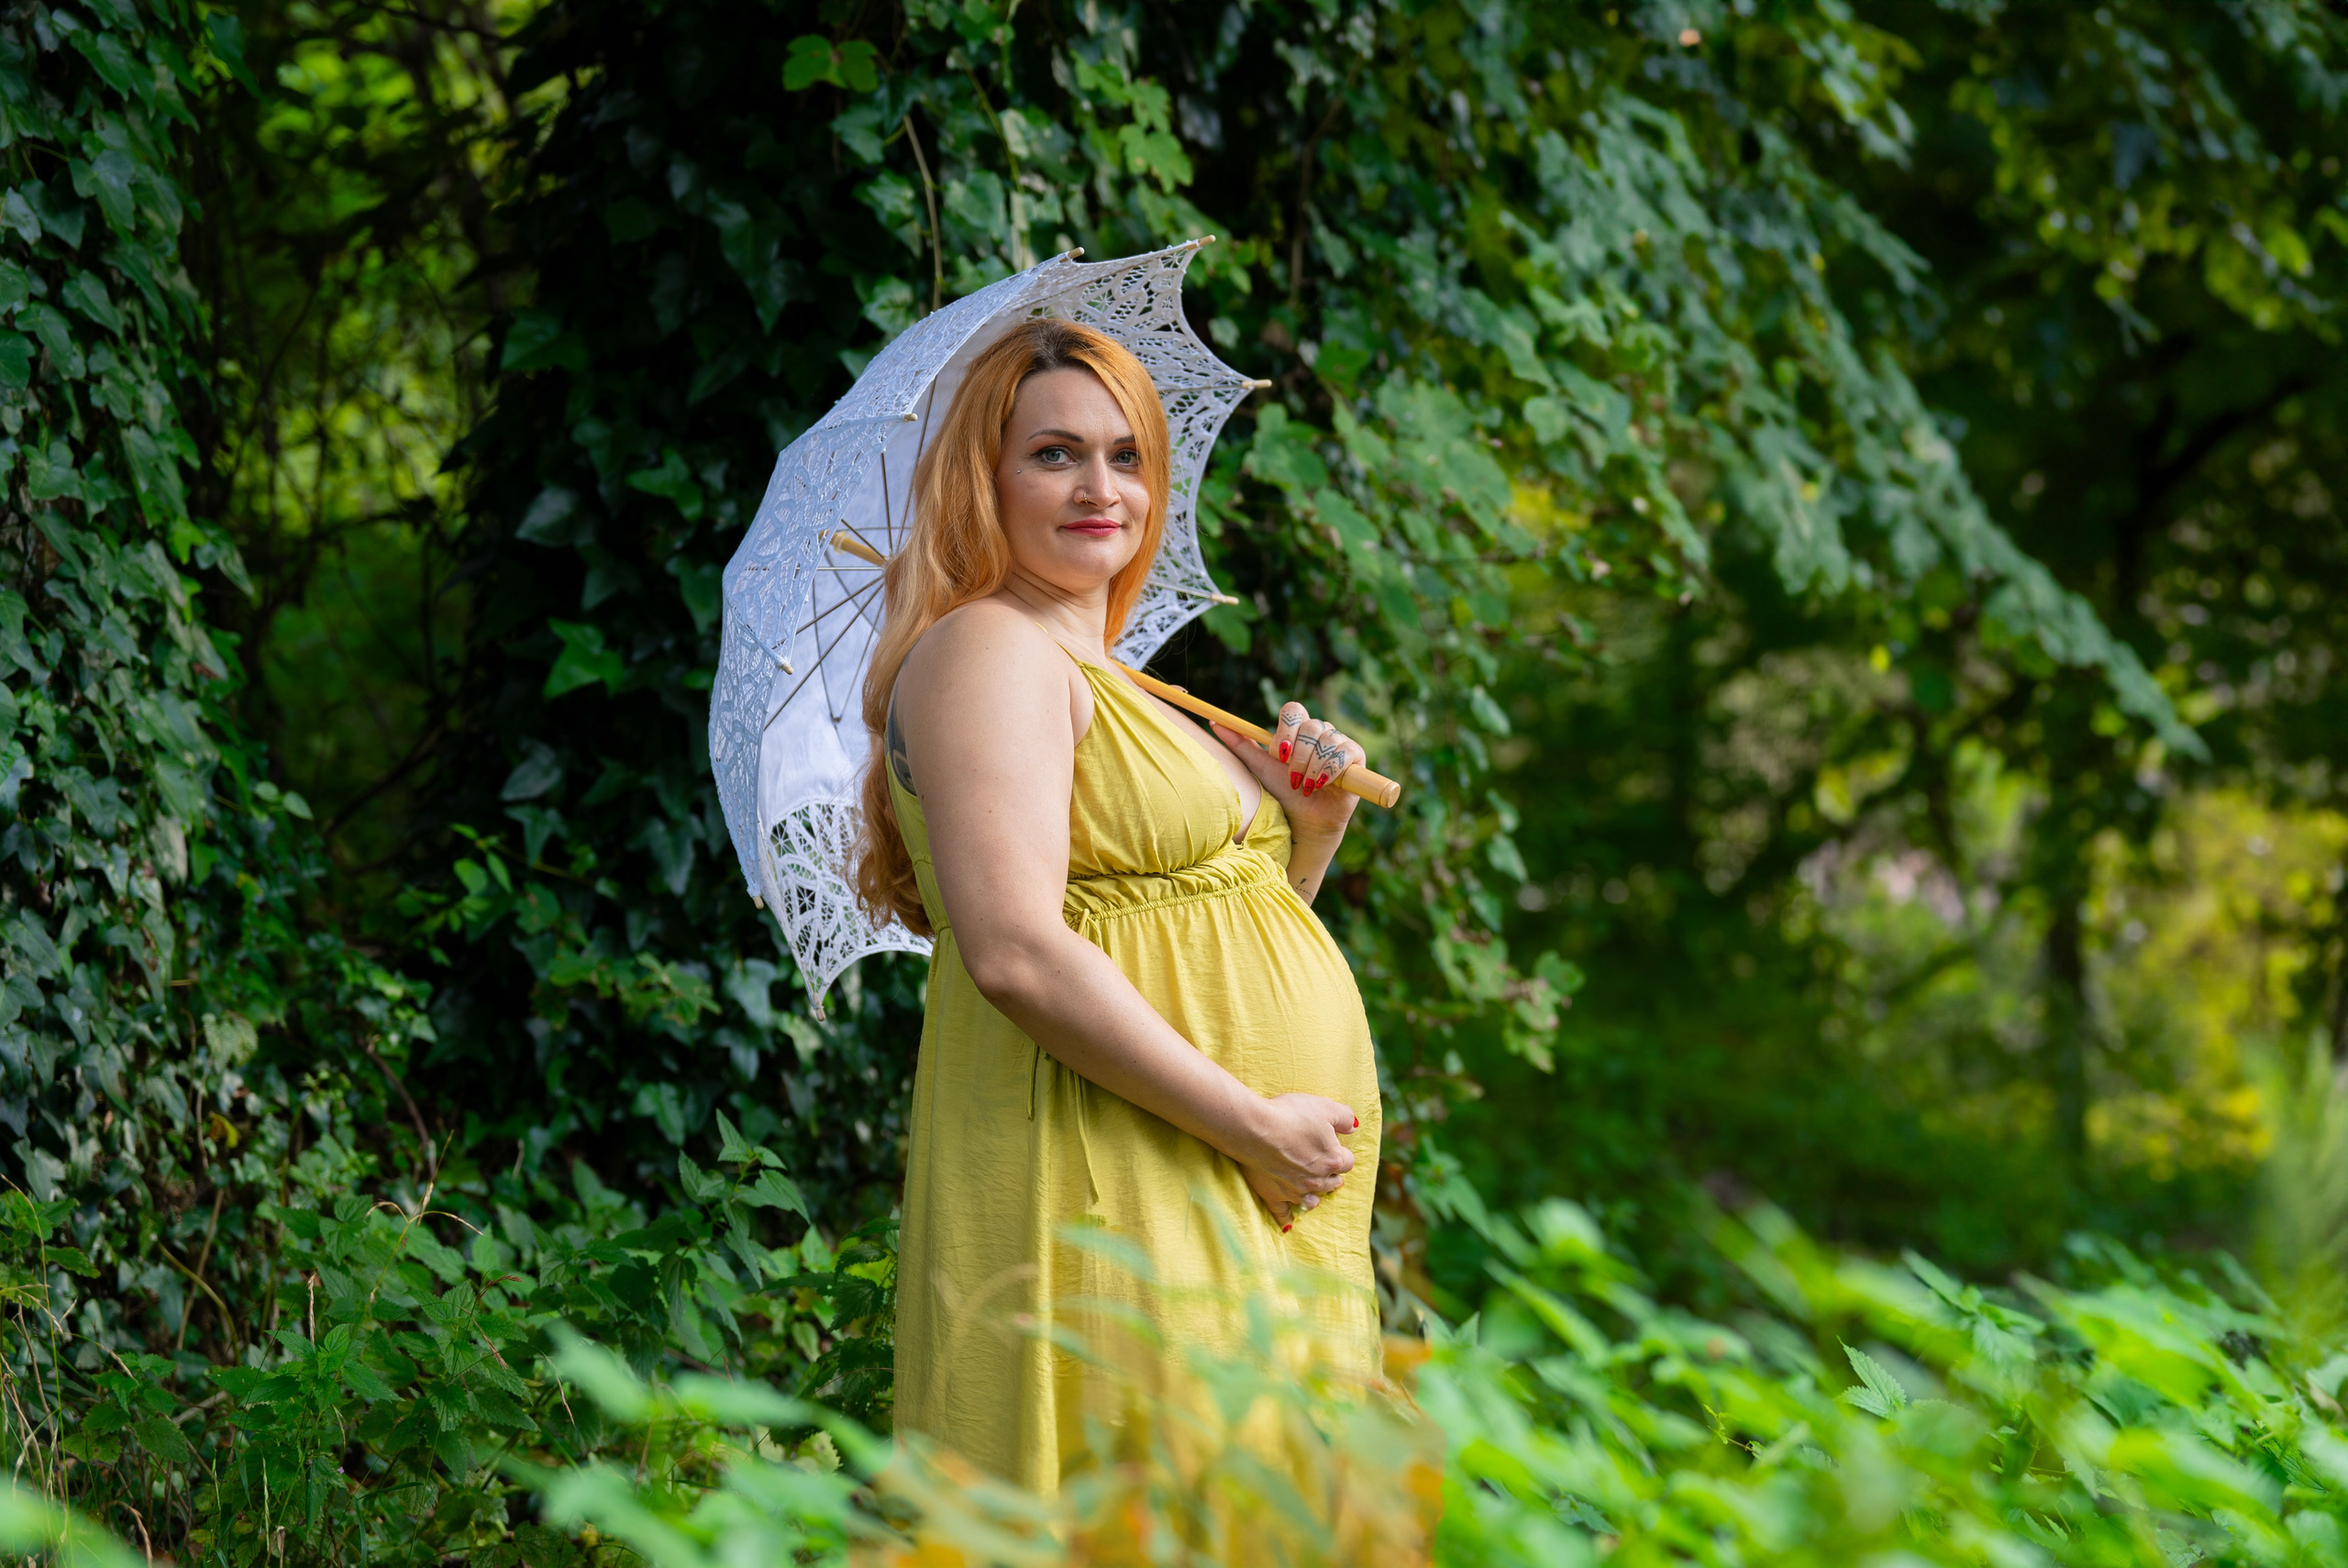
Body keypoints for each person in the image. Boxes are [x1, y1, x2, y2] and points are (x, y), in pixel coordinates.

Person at [854, 316, 1382, 1489]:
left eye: (1127, 454)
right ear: (980, 480)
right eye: (1054, 454)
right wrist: (1253, 1126)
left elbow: (1196, 942)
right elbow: (1016, 954)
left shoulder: (1109, 672)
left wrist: (1309, 833)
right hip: (1112, 1158)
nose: (1103, 487)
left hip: (1202, 1148)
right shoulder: (988, 652)